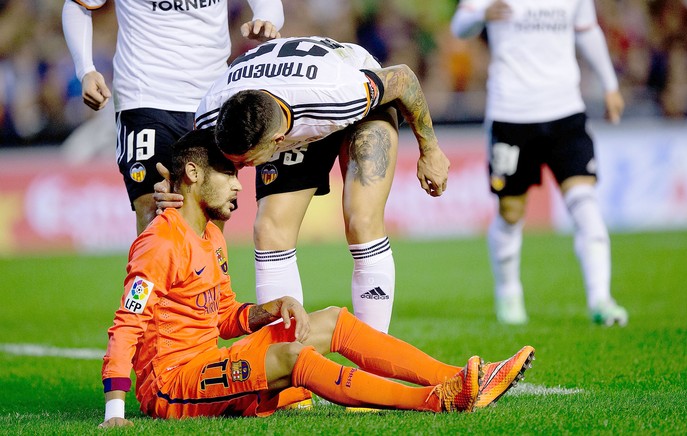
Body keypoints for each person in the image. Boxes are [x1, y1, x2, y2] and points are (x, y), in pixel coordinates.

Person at [99, 128, 534, 427]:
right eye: (229, 174)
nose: (237, 186)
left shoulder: (211, 235)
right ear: (193, 174)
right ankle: (436, 400)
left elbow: (223, 317)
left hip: (207, 362)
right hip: (171, 384)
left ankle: (459, 377)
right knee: (295, 359)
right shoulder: (159, 242)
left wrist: (269, 309)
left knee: (330, 320)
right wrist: (114, 410)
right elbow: (126, 324)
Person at [157, 36, 451, 334]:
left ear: (278, 142)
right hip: (281, 99)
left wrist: (430, 150)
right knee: (269, 230)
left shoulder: (340, 94)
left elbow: (403, 78)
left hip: (347, 98)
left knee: (362, 218)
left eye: (247, 162)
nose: (242, 173)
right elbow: (195, 165)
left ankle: (375, 348)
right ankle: (286, 360)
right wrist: (176, 187)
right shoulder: (212, 113)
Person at [450, 0, 628, 326]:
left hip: (565, 111)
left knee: (584, 201)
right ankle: (509, 292)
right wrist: (481, 16)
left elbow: (587, 32)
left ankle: (601, 299)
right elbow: (459, 26)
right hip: (512, 113)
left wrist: (610, 84)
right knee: (511, 212)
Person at [61, 0, 285, 235]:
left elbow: (267, 3)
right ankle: (151, 272)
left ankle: (206, 273)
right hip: (144, 94)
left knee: (212, 211)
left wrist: (266, 19)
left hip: (210, 99)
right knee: (151, 207)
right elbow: (78, 5)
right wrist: (85, 69)